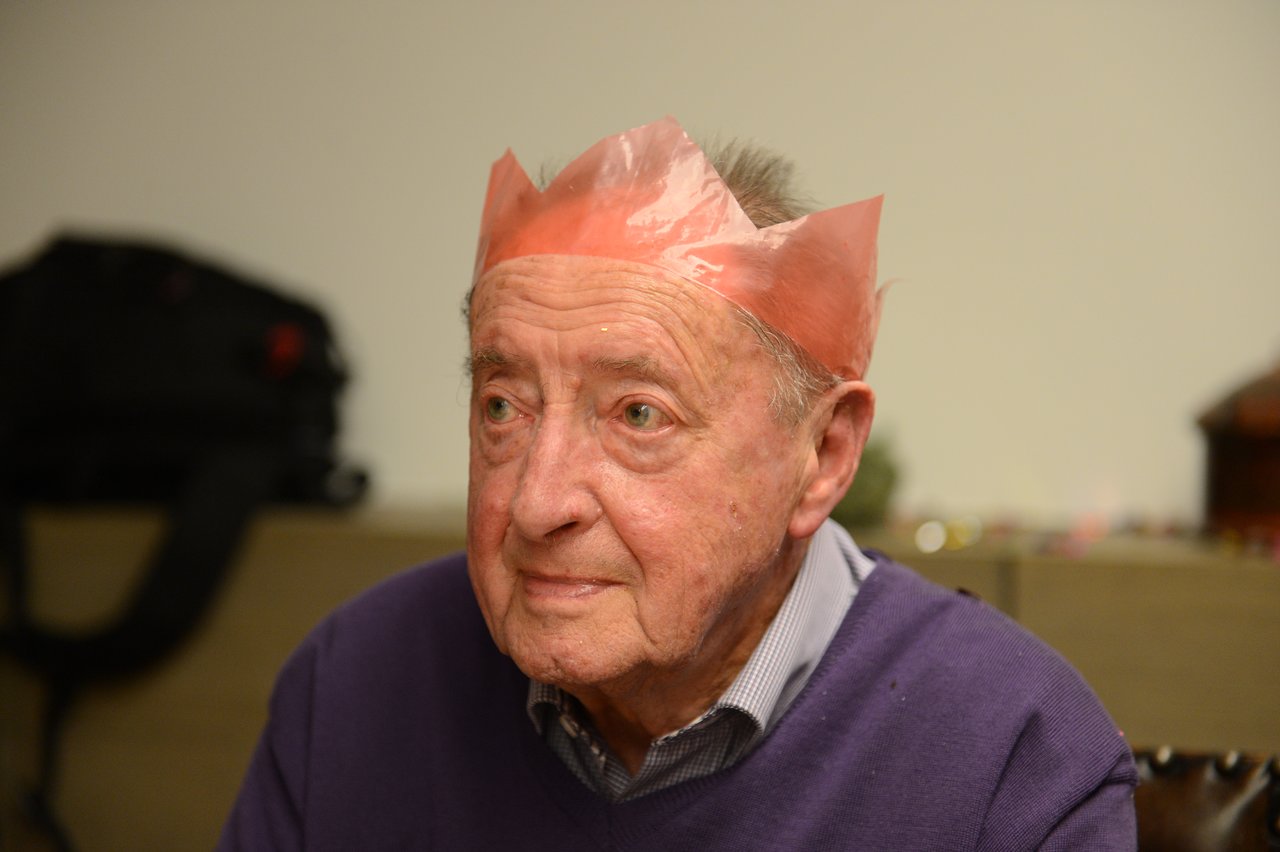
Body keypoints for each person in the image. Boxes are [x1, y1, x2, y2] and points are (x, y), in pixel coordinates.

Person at [218, 118, 1137, 850]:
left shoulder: (1012, 754)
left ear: (821, 459)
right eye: (503, 405)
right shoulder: (354, 683)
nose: (538, 504)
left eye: (638, 416)